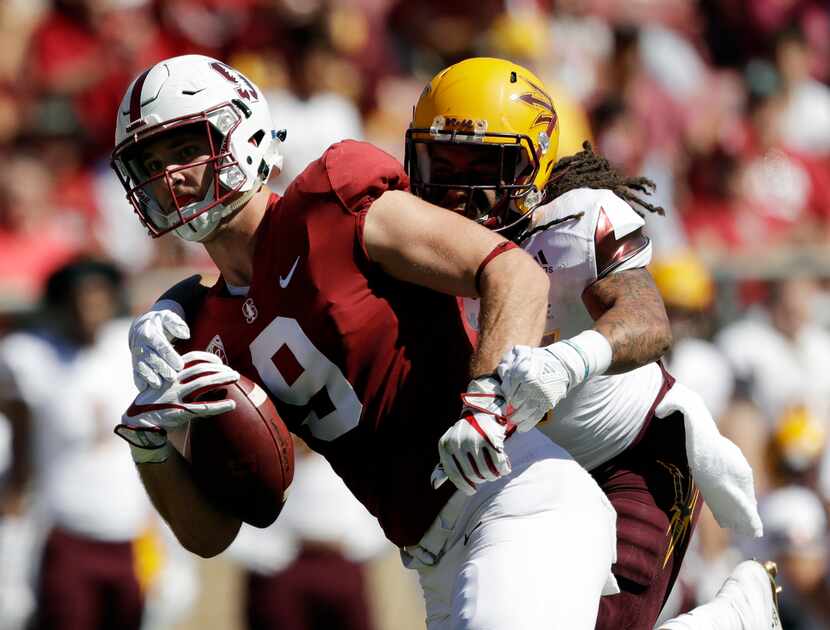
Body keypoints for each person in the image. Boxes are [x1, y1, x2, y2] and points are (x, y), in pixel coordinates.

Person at [111, 54, 618, 629]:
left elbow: (513, 273)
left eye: (184, 149)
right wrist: (149, 448)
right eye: (149, 162)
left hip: (513, 494)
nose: (168, 175)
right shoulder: (204, 334)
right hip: (432, 557)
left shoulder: (330, 202)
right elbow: (215, 532)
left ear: (240, 132)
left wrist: (487, 404)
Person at [404, 56, 772, 630]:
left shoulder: (574, 219)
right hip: (517, 477)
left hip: (630, 455)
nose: (457, 188)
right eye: (439, 161)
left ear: (535, 159)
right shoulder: (410, 240)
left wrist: (569, 359)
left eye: (481, 162)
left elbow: (648, 321)